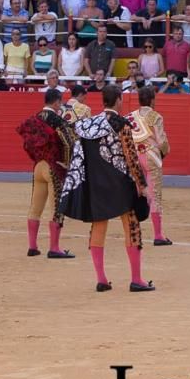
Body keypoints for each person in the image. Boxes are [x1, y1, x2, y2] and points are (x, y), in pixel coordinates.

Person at [59, 85, 155, 292]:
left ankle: (101, 279)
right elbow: (130, 157)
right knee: (132, 227)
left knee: (98, 227)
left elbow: (79, 155)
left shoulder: (88, 124)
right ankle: (136, 279)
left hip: (96, 185)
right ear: (119, 100)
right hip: (121, 184)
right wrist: (142, 185)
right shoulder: (121, 124)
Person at [16, 89, 78, 259]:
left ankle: (33, 246)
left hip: (38, 167)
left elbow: (27, 143)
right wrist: (66, 162)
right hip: (53, 168)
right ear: (57, 102)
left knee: (35, 207)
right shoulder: (57, 120)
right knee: (56, 209)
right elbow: (69, 142)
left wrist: (36, 157)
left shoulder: (34, 119)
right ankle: (54, 247)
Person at [126, 86, 172, 246]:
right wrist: (164, 152)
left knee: (136, 193)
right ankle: (158, 235)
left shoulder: (130, 117)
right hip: (151, 157)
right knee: (154, 196)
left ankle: (132, 230)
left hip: (134, 159)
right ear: (152, 100)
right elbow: (162, 142)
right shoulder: (156, 117)